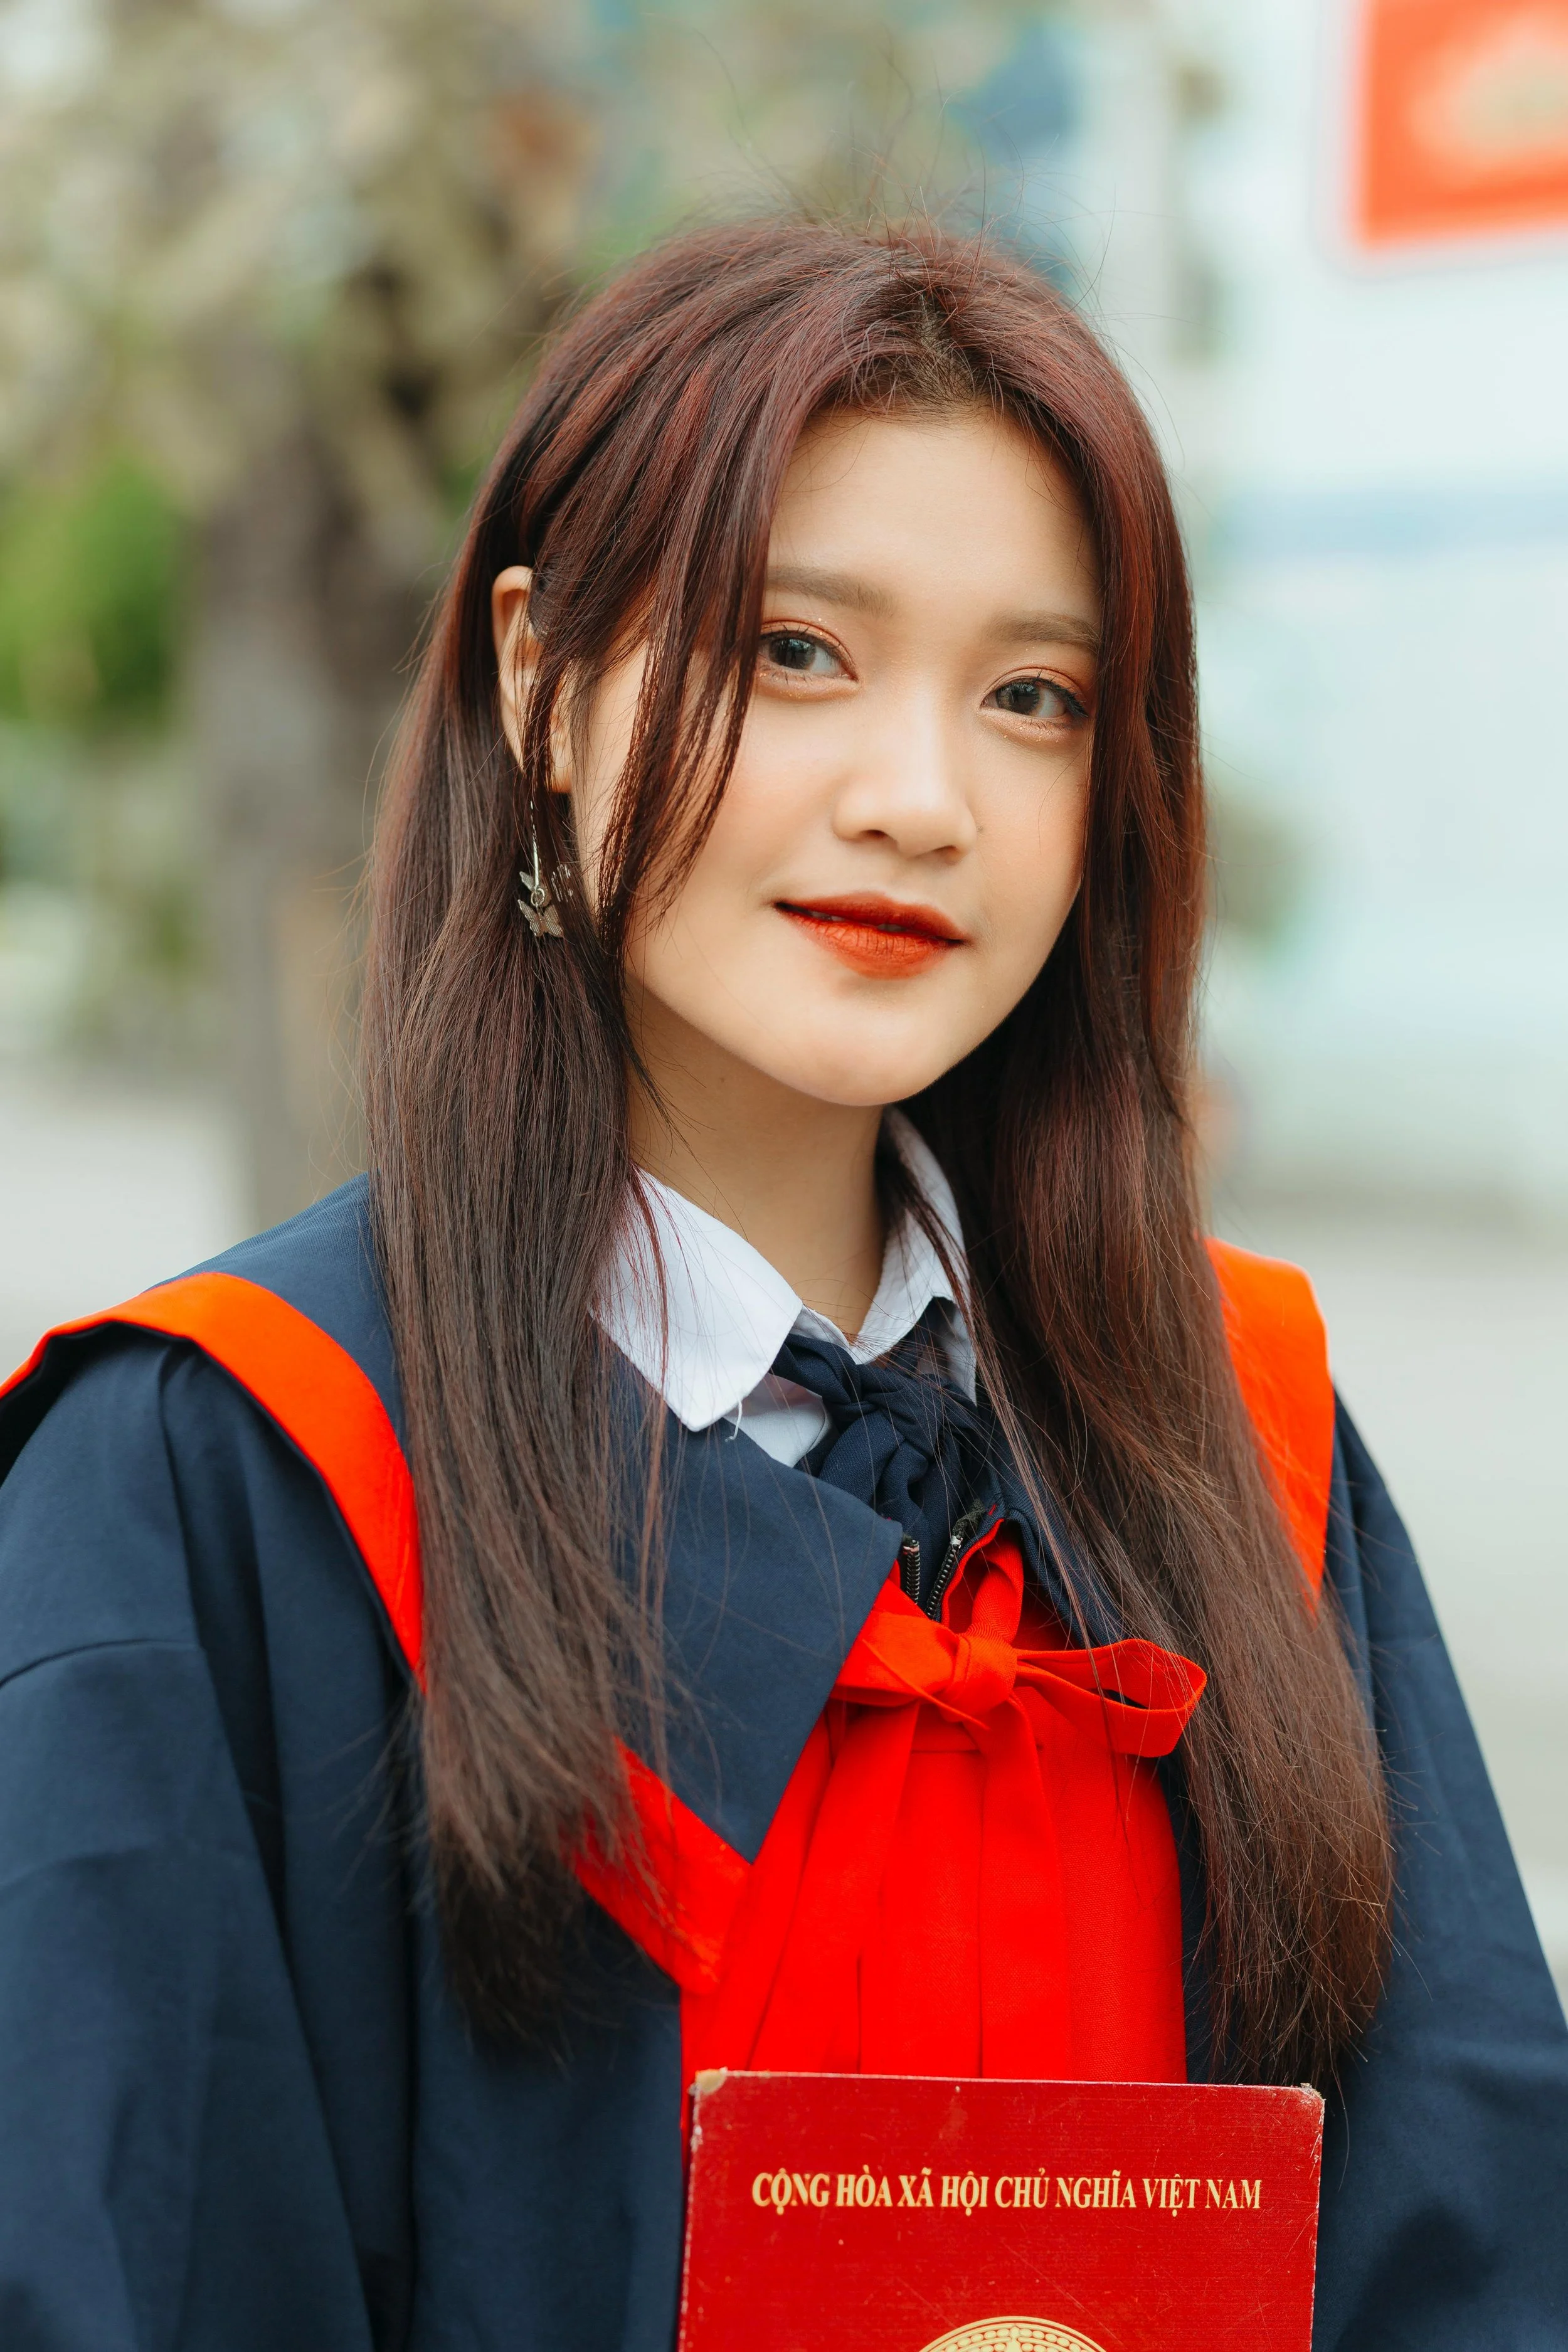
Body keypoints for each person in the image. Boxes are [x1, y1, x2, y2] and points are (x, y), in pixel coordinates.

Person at [0, 218, 1562, 2352]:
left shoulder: (1235, 1435)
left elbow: (1464, 2256)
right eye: (795, 651)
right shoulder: (229, 1477)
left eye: (1033, 697)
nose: (919, 799)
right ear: (540, 679)